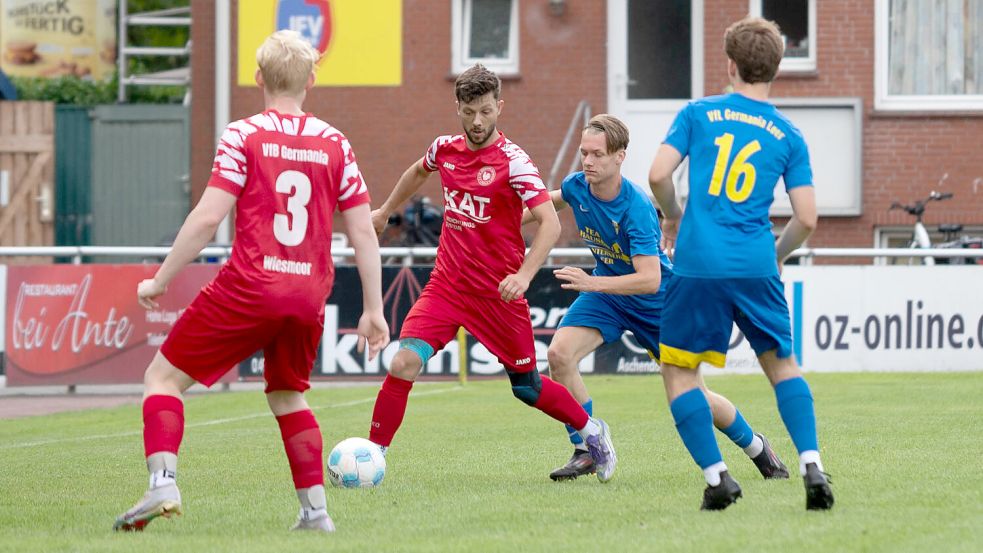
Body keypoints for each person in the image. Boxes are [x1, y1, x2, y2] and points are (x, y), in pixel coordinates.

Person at [113, 30, 389, 533]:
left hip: (251, 285)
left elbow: (205, 219)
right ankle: (315, 514)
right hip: (308, 293)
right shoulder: (335, 143)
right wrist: (374, 309)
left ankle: (162, 483)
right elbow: (363, 234)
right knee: (288, 393)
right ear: (312, 79)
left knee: (162, 378)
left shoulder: (243, 135)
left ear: (258, 77)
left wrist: (159, 279)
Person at [367, 64, 616, 482]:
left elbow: (549, 223)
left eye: (485, 111)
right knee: (404, 361)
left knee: (528, 388)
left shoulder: (514, 162)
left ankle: (593, 434)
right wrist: (385, 209)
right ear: (458, 107)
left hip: (498, 295)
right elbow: (417, 171)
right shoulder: (444, 149)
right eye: (469, 112)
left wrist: (523, 275)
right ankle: (373, 455)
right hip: (447, 286)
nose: (477, 121)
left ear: (499, 106)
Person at [523, 114, 789, 483]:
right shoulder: (577, 185)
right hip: (609, 294)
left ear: (620, 157)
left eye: (597, 154)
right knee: (558, 355)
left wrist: (592, 283)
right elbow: (545, 205)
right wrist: (497, 225)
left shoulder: (637, 209)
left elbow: (649, 280)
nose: (588, 162)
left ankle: (757, 448)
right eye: (584, 153)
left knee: (695, 395)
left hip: (660, 303)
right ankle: (587, 447)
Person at [647, 17, 834, 510]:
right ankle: (812, 465)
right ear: (776, 69)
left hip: (698, 264)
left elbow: (658, 174)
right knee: (783, 367)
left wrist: (674, 217)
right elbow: (807, 218)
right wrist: (774, 254)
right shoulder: (789, 135)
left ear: (730, 64)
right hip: (755, 264)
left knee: (680, 373)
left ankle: (718, 479)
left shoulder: (699, 114)